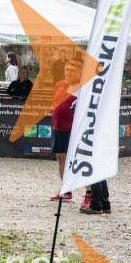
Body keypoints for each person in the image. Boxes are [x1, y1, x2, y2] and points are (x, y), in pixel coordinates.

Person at [50, 60, 81, 203]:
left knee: (78, 160)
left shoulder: (82, 87)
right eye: (67, 69)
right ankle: (66, 189)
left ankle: (89, 193)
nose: (68, 72)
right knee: (60, 157)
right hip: (58, 128)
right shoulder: (59, 84)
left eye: (72, 70)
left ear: (79, 73)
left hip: (72, 129)